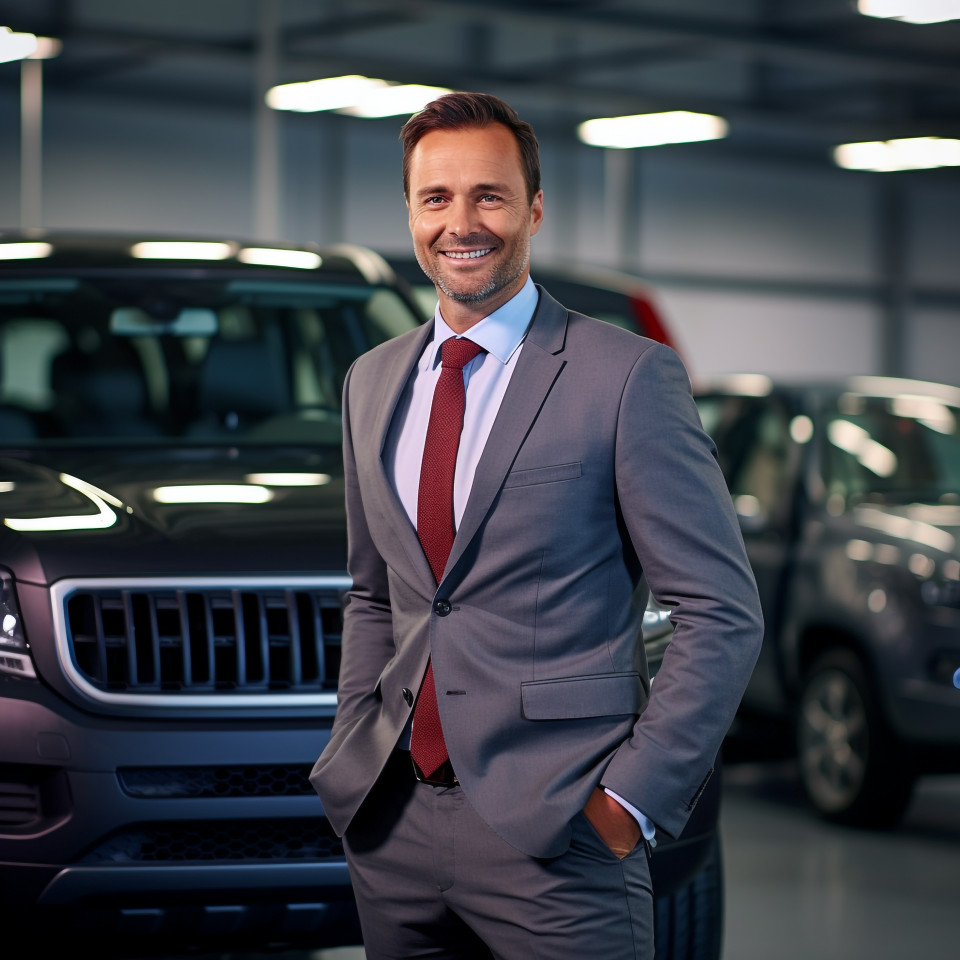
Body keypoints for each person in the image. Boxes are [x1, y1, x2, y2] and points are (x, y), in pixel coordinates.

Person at [310, 91, 763, 959]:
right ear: (410, 211)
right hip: (391, 823)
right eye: (436, 198)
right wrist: (350, 752)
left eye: (489, 194)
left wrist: (628, 801)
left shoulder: (627, 376)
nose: (461, 222)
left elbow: (721, 612)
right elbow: (377, 597)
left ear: (535, 209)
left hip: (561, 833)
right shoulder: (370, 382)